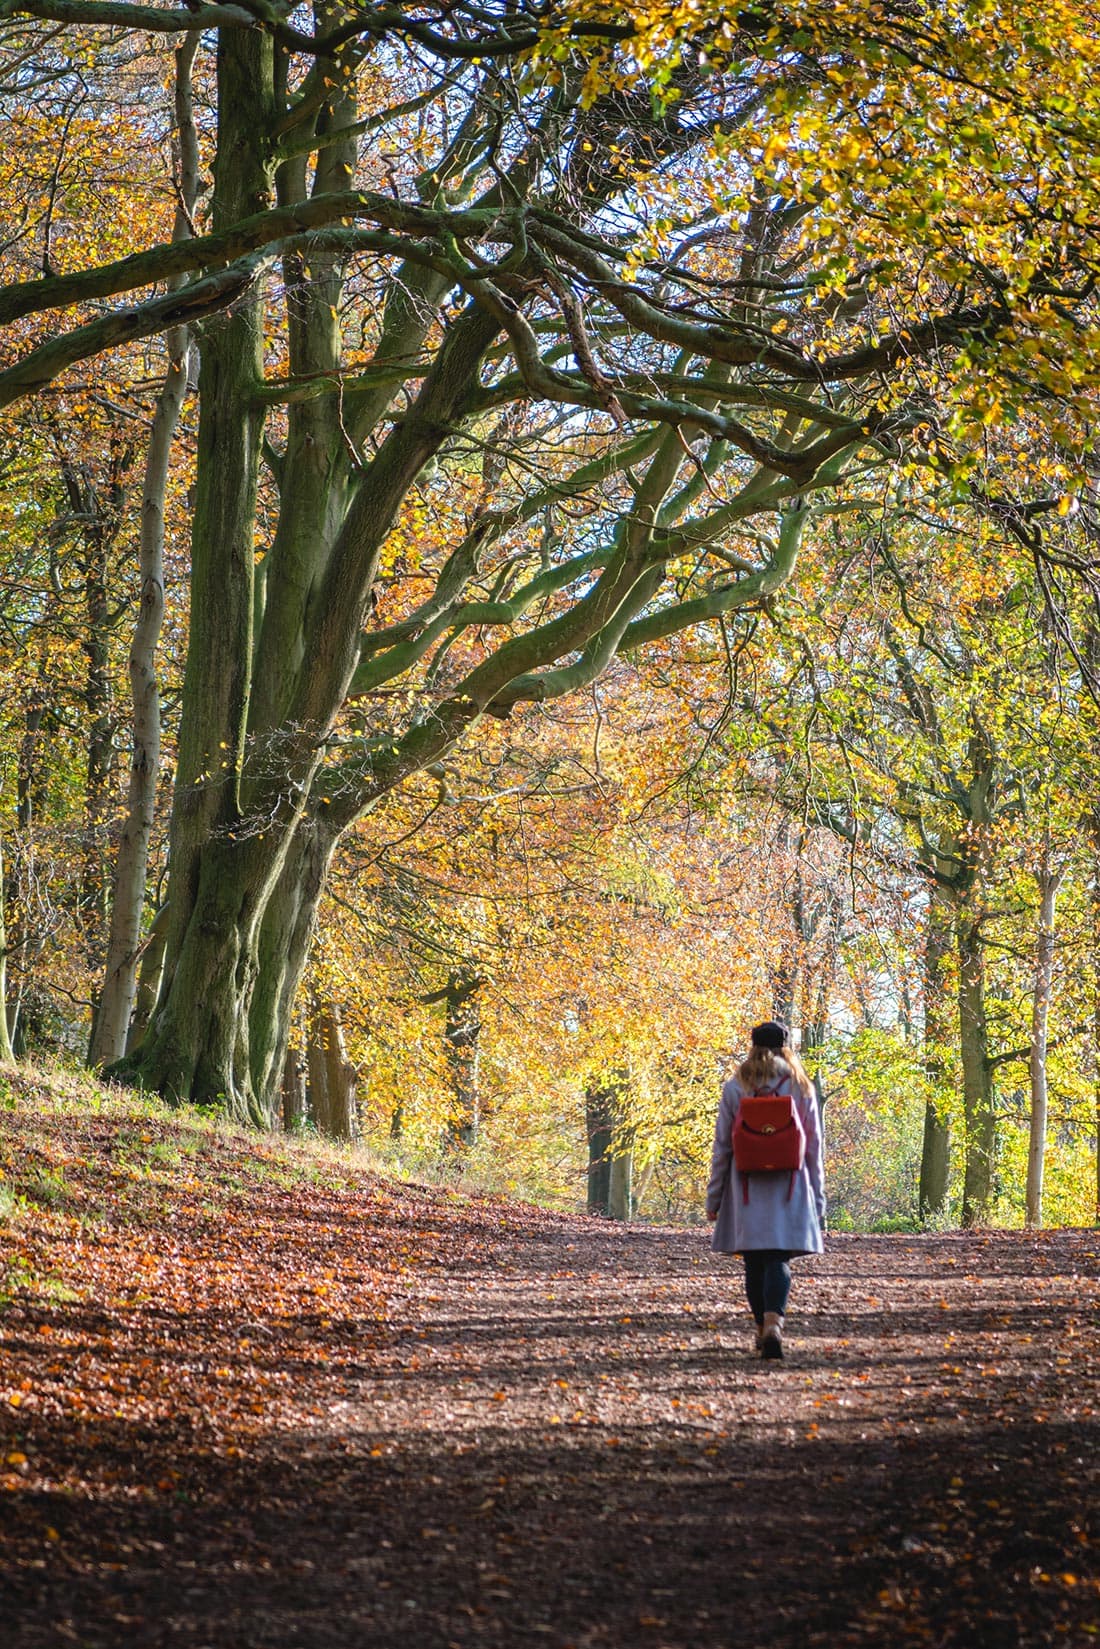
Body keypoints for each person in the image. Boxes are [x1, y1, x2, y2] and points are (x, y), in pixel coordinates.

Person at [706, 1020, 825, 1360]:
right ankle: (775, 1322)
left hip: (745, 1186)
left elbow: (722, 1148)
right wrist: (818, 1200)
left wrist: (714, 1197)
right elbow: (814, 1148)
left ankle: (761, 1327)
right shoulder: (801, 1087)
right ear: (787, 1047)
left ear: (753, 1046)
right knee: (778, 1257)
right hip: (790, 1186)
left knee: (754, 1261)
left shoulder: (736, 1087)